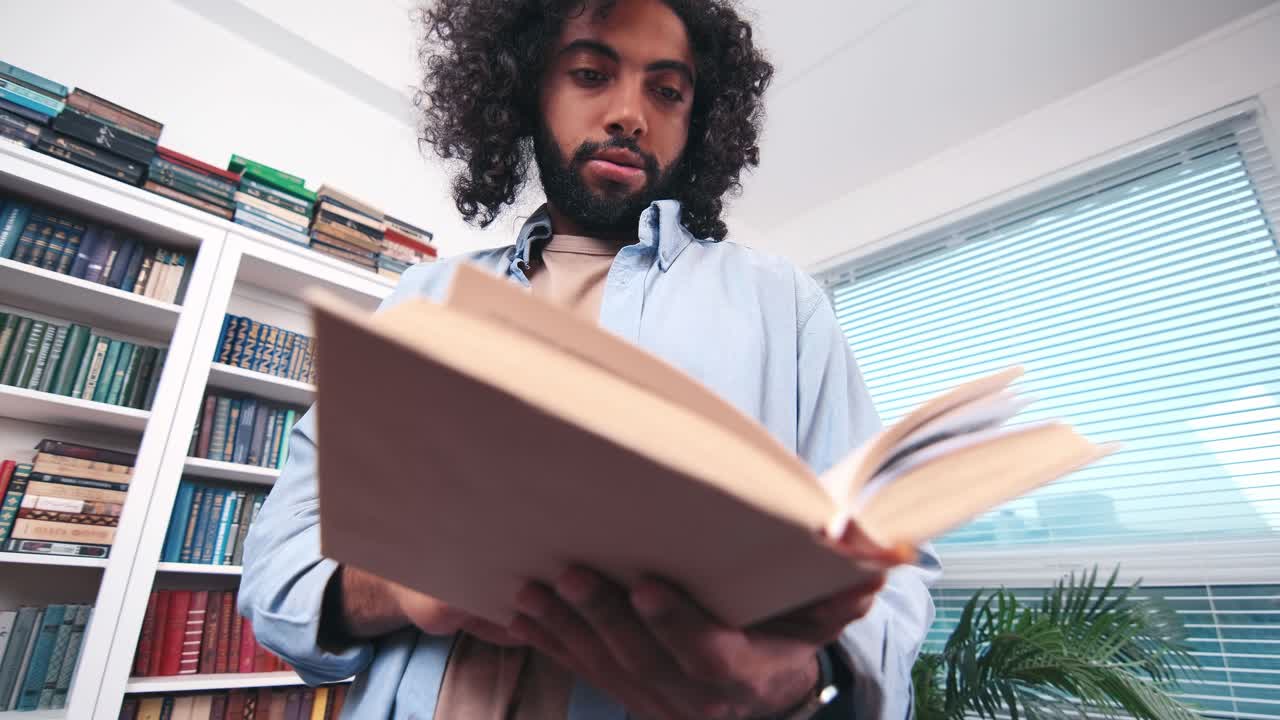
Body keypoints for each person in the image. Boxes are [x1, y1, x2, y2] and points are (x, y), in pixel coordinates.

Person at [239, 0, 941, 717]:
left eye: (666, 91)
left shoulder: (781, 306)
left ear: (699, 120)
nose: (630, 115)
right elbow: (276, 574)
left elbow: (888, 567)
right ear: (527, 87)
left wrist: (800, 679)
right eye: (590, 74)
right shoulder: (425, 300)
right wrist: (399, 586)